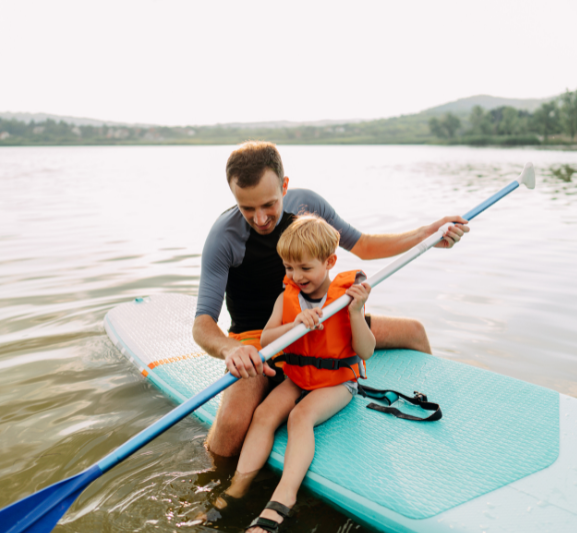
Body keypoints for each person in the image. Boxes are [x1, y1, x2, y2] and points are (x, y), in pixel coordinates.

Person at [193, 141, 469, 458]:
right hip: (261, 338)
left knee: (414, 332)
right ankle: (219, 493)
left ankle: (436, 420)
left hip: (324, 319)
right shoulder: (224, 238)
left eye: (268, 204)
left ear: (284, 186)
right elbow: (202, 323)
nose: (260, 219)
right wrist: (232, 349)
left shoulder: (308, 205)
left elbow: (363, 245)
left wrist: (427, 235)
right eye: (247, 208)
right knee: (232, 426)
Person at [213, 215, 375, 532]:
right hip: (298, 376)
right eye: (289, 267)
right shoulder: (287, 296)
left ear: (329, 261)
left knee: (299, 417)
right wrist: (296, 323)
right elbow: (267, 340)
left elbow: (366, 351)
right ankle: (238, 487)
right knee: (263, 414)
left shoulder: (346, 298)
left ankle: (282, 499)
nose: (296, 276)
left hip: (337, 382)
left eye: (305, 268)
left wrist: (355, 312)